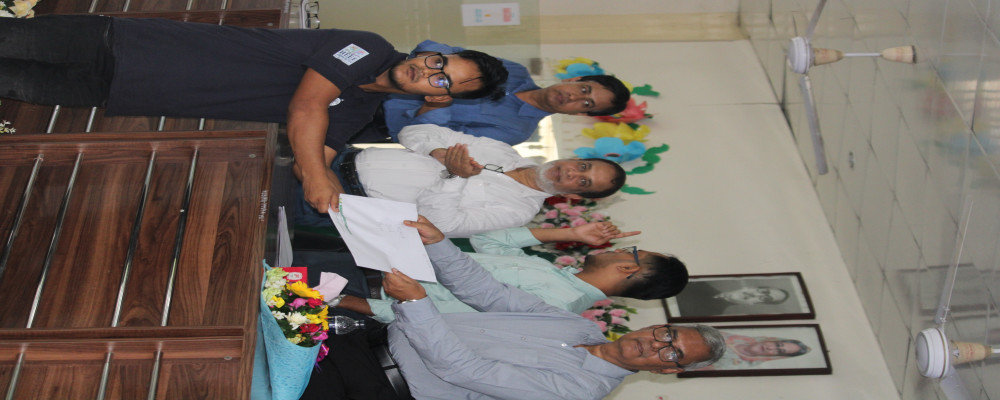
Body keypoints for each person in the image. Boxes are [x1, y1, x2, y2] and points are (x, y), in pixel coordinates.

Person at [0, 15, 508, 217]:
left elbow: (316, 156)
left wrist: (332, 194)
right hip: (123, 45)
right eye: (440, 62)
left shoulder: (359, 110)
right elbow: (307, 107)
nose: (428, 70)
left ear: (440, 101)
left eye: (442, 81)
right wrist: (317, 172)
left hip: (119, 91)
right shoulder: (367, 47)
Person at [302, 216, 725, 400]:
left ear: (666, 371)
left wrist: (417, 304)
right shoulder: (574, 326)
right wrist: (439, 244)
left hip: (371, 387)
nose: (656, 344)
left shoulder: (582, 390)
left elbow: (466, 371)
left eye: (672, 353)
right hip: (361, 340)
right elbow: (488, 292)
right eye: (667, 334)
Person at [295, 124, 627, 237]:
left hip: (339, 202)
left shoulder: (518, 212)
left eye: (583, 182)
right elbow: (413, 131)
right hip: (337, 155)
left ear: (574, 197)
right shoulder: (502, 150)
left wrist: (454, 176)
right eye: (582, 166)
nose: (571, 173)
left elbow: (443, 226)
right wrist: (438, 152)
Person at [332, 221, 688, 323]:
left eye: (630, 251)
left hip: (365, 293)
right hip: (371, 265)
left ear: (628, 267)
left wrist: (347, 302)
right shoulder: (556, 276)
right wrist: (570, 233)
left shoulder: (558, 306)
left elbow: (449, 315)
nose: (617, 247)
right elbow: (488, 241)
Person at [350, 40, 632, 145]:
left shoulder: (515, 132)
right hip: (380, 76)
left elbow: (432, 140)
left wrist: (437, 105)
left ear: (581, 114)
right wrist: (434, 68)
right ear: (575, 78)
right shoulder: (515, 71)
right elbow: (442, 49)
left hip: (371, 124)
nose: (574, 97)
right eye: (583, 89)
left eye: (586, 103)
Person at [675, 281, 789, 317]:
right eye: (763, 291)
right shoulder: (699, 283)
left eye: (764, 298)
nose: (753, 295)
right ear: (750, 287)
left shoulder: (711, 315)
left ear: (752, 303)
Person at [700, 334, 811, 370]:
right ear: (773, 340)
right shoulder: (733, 336)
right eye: (777, 345)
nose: (770, 348)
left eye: (778, 351)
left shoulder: (735, 366)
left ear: (776, 356)